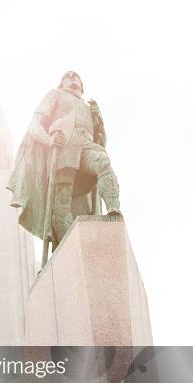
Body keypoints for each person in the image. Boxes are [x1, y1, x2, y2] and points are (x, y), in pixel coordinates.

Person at [7, 71, 121, 267]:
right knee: (61, 208)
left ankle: (112, 209)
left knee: (103, 162)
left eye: (76, 77)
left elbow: (101, 141)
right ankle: (71, 248)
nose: (72, 78)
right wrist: (49, 140)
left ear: (82, 85)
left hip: (86, 147)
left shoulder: (88, 107)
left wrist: (98, 120)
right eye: (68, 76)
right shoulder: (55, 95)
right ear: (62, 82)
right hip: (65, 153)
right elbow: (34, 125)